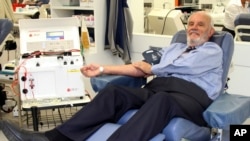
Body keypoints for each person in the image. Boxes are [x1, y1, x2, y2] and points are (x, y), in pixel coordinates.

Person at [0, 11, 223, 141]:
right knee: (115, 92)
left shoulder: (213, 51)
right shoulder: (173, 48)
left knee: (161, 100)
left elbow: (181, 67)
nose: (193, 28)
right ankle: (51, 139)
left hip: (191, 99)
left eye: (200, 25)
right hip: (159, 89)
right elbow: (140, 67)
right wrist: (103, 69)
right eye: (191, 23)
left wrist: (150, 68)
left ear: (210, 32)